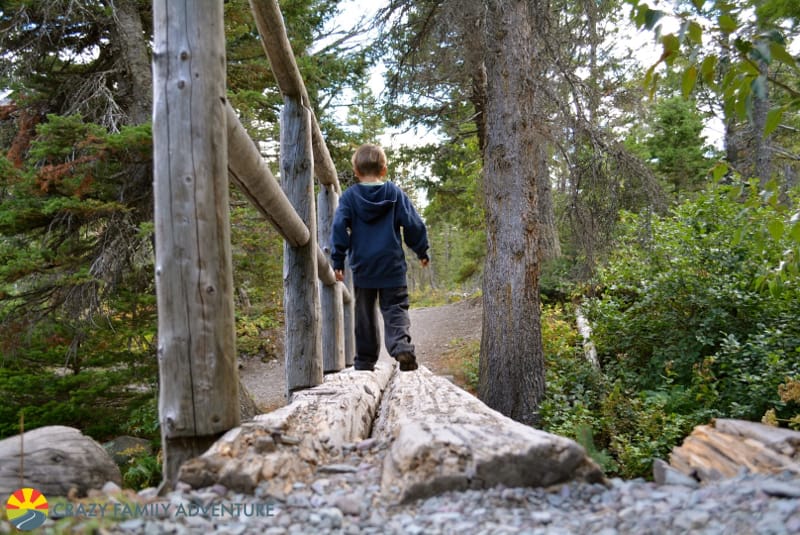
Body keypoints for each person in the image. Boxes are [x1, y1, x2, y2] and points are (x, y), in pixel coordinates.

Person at [331, 143, 429, 372]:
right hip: (391, 265)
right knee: (395, 308)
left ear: (356, 171)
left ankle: (365, 361)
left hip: (364, 266)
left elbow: (338, 227)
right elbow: (413, 223)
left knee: (364, 314)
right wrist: (421, 250)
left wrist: (338, 260)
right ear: (384, 169)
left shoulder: (350, 197)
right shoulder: (394, 193)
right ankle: (401, 346)